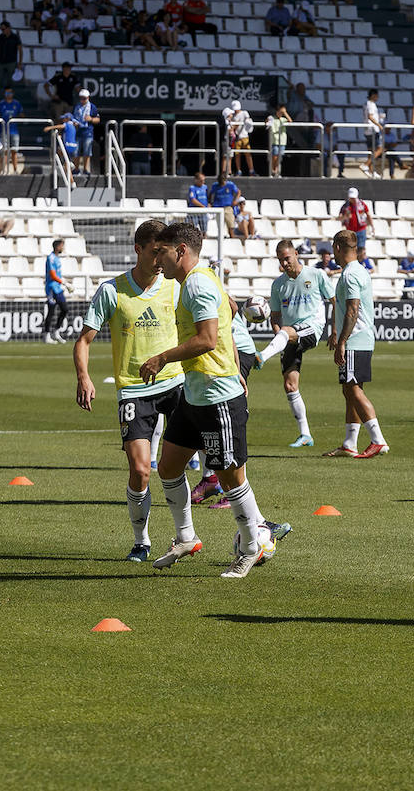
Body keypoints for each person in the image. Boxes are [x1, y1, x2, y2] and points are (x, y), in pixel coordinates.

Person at [139, 222, 279, 578]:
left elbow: (207, 339)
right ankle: (186, 537)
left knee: (231, 478)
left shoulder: (199, 283)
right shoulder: (196, 281)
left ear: (180, 251)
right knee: (169, 466)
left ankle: (251, 547)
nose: (158, 261)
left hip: (217, 397)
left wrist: (161, 358)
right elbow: (229, 318)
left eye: (162, 253)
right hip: (195, 393)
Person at [75, 220, 189, 563]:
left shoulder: (176, 287)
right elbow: (83, 340)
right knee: (140, 470)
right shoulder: (113, 291)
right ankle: (142, 541)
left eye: (164, 253)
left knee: (181, 465)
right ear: (138, 249)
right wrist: (84, 377)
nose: (160, 260)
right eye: (154, 252)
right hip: (134, 390)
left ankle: (188, 534)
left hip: (177, 383)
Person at [255, 240, 338, 446]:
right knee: (290, 385)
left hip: (312, 329)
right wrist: (280, 337)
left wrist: (334, 330)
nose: (284, 263)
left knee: (285, 333)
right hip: (289, 336)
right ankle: (306, 434)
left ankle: (262, 356)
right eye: (281, 260)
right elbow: (275, 317)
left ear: (296, 254)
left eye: (287, 258)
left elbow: (335, 302)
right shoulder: (278, 285)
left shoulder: (316, 275)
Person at [323, 230, 388, 459]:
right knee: (350, 389)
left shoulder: (350, 274)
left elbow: (353, 309)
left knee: (352, 388)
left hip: (355, 339)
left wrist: (342, 341)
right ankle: (350, 443)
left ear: (338, 248)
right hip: (362, 338)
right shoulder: (358, 270)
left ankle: (377, 439)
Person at [42, 239, 74, 344]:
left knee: (64, 309)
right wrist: (65, 283)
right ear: (57, 247)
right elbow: (52, 275)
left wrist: (63, 283)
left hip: (58, 288)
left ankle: (56, 331)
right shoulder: (51, 258)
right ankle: (47, 335)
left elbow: (57, 275)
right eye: (61, 246)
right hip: (52, 288)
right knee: (51, 311)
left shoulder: (56, 258)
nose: (62, 248)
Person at [70, 88, 100, 175]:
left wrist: (91, 119)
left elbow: (97, 119)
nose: (82, 100)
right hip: (78, 131)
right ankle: (76, 169)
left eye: (84, 98)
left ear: (88, 98)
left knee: (87, 150)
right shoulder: (76, 107)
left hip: (88, 132)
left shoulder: (92, 107)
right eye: (81, 98)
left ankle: (86, 169)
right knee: (76, 151)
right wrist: (74, 123)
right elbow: (72, 117)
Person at [0, 88, 23, 173]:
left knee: (14, 151)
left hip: (14, 131)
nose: (8, 94)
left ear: (13, 93)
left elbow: (22, 115)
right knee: (5, 151)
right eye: (7, 92)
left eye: (10, 92)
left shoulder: (17, 104)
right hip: (4, 131)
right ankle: (4, 169)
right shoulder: (0, 104)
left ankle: (15, 170)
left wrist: (17, 117)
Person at [338, 187, 374, 252]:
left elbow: (368, 215)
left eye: (353, 198)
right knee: (352, 250)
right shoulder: (345, 206)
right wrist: (346, 216)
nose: (352, 199)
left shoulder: (362, 205)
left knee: (361, 250)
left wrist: (372, 226)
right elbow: (340, 218)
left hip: (361, 230)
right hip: (350, 231)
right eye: (351, 198)